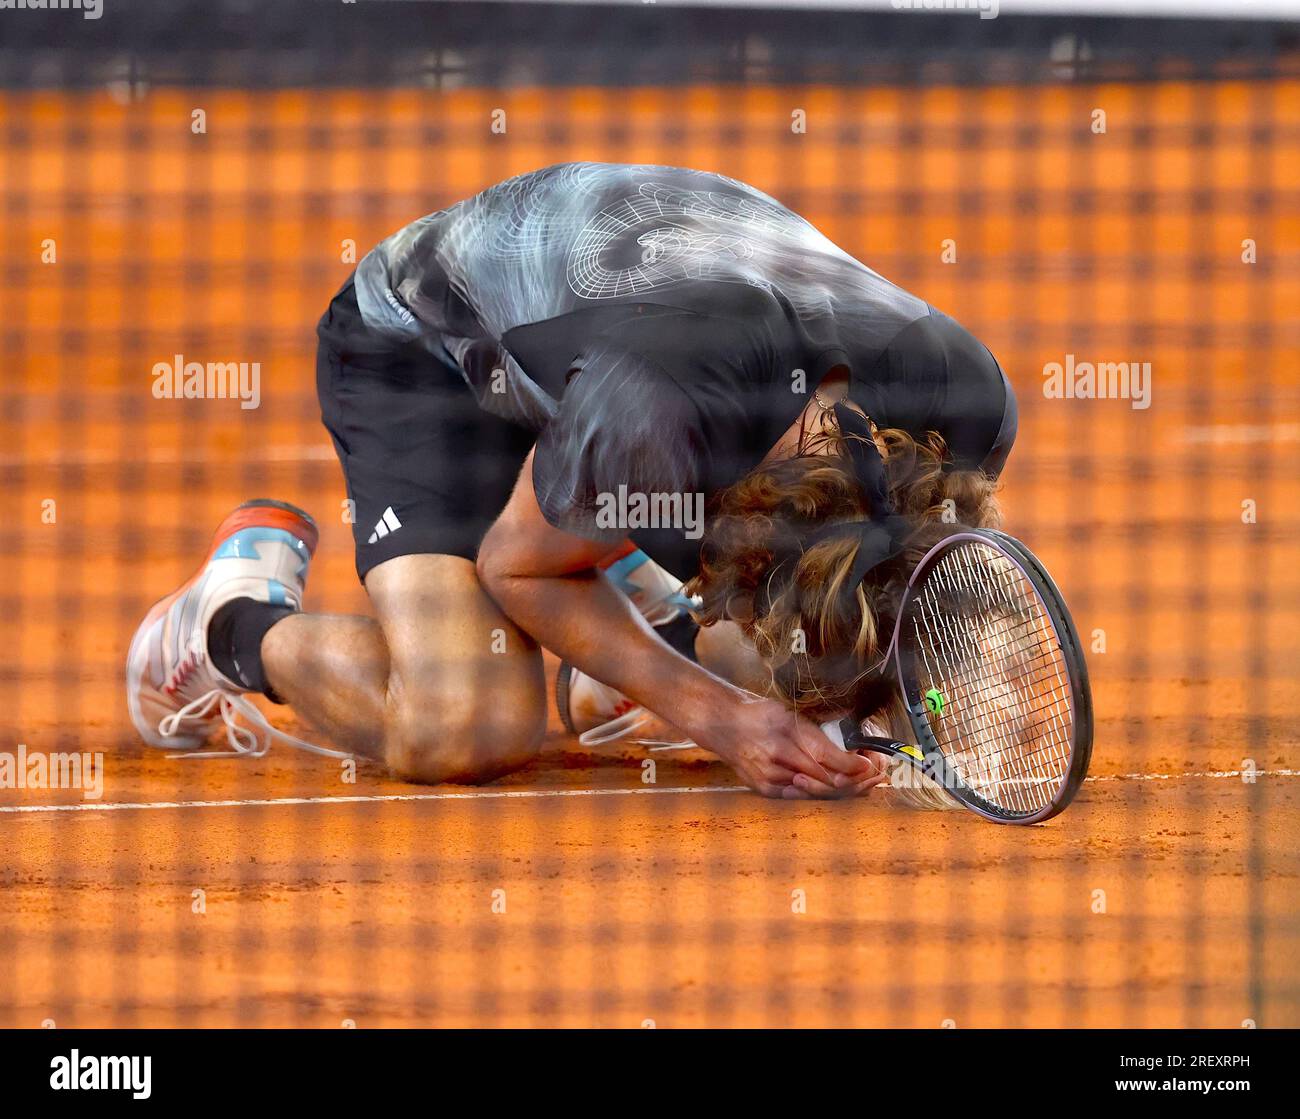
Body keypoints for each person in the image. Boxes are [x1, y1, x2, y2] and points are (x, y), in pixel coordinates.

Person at [126, 162, 1015, 799]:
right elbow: (518, 568)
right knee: (463, 722)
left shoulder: (964, 400)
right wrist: (726, 719)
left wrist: (907, 679)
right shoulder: (655, 413)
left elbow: (913, 574)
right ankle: (224, 622)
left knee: (789, 660)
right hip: (425, 351)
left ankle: (644, 612)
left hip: (616, 347)